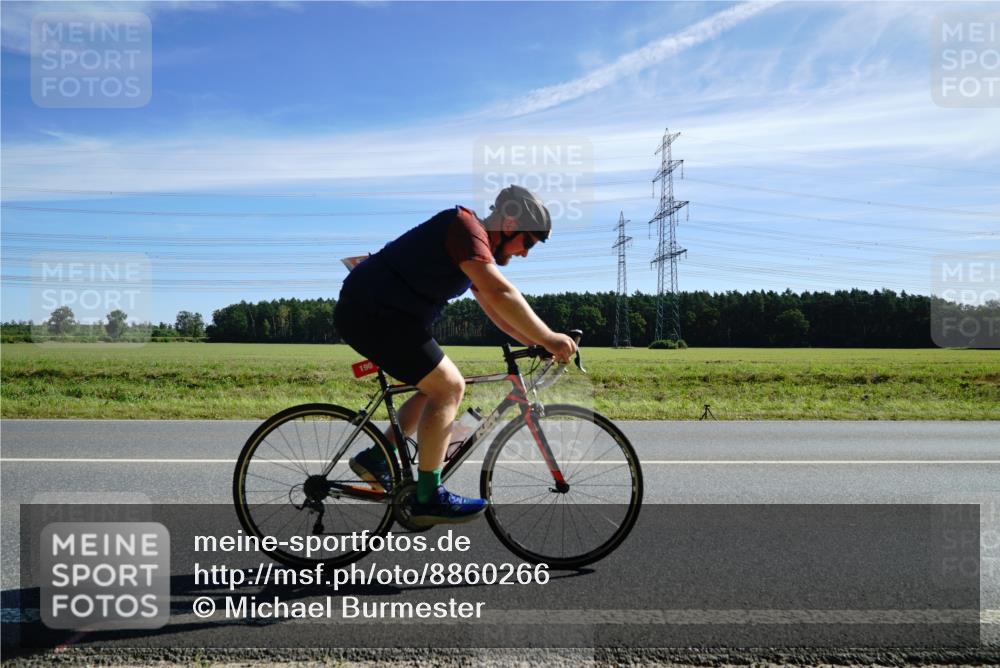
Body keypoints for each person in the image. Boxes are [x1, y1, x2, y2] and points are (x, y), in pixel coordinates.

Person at [333, 185, 577, 526]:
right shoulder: (465, 228)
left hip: (386, 315)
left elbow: (496, 311)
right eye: (529, 242)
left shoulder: (474, 247)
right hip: (375, 312)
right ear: (509, 224)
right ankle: (429, 495)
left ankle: (378, 456)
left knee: (435, 386)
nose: (525, 253)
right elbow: (501, 291)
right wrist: (551, 337)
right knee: (449, 387)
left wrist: (535, 344)